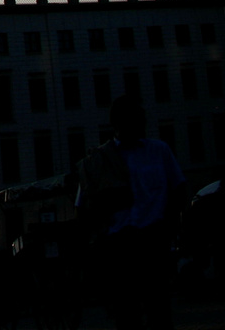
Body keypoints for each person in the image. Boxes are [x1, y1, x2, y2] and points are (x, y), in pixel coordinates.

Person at [73, 94, 185, 330]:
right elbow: (84, 209)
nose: (142, 123)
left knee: (154, 311)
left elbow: (178, 192)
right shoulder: (101, 159)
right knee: (134, 313)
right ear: (119, 123)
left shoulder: (157, 150)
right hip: (123, 244)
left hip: (148, 239)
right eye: (137, 118)